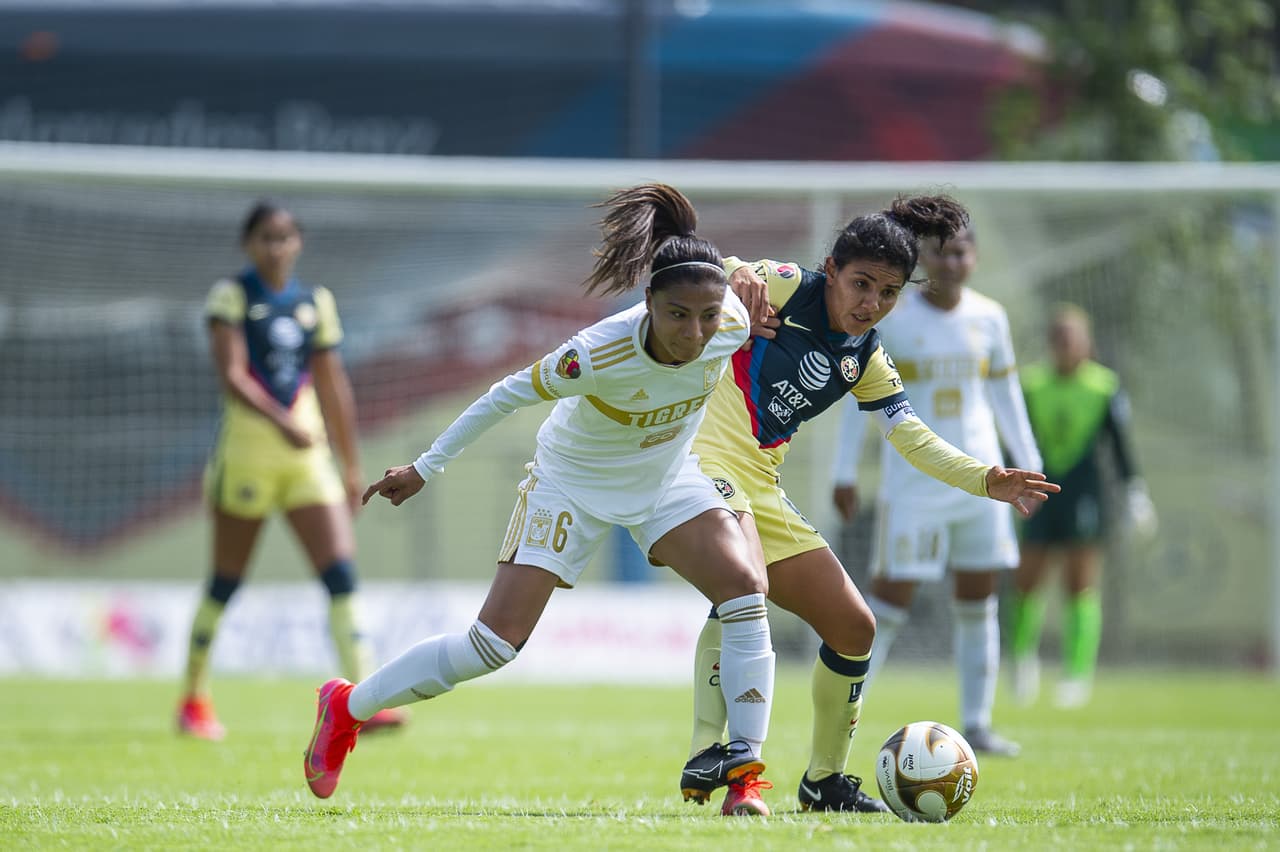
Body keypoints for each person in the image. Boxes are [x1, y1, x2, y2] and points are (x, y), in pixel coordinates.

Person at [301, 183, 778, 815]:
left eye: (707, 316)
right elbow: (504, 395)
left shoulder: (732, 321)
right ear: (648, 304)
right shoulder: (597, 352)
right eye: (677, 315)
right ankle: (347, 706)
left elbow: (744, 293)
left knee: (746, 592)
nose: (695, 332)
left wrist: (746, 285)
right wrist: (424, 466)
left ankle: (745, 777)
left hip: (662, 480)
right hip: (570, 486)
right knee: (493, 646)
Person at [686, 197, 1060, 815]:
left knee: (855, 627)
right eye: (861, 284)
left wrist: (985, 478)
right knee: (743, 591)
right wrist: (734, 271)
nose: (871, 303)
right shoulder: (786, 287)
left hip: (761, 483)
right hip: (702, 466)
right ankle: (715, 757)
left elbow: (909, 435)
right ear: (831, 270)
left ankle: (824, 782)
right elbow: (707, 274)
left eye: (888, 292)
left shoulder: (866, 356)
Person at [180, 201, 404, 740]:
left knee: (341, 575)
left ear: (298, 242)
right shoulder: (231, 296)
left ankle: (364, 697)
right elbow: (233, 375)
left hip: (307, 458)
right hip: (248, 455)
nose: (275, 247)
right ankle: (193, 700)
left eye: (284, 237)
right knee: (226, 581)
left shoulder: (315, 302)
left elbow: (332, 384)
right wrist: (283, 423)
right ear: (248, 245)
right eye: (265, 237)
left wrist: (352, 464)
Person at [831, 224, 1041, 757]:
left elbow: (1007, 396)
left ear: (975, 257)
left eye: (961, 252)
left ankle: (978, 723)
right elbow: (862, 394)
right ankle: (845, 721)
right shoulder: (894, 318)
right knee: (889, 602)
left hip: (984, 480)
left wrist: (1030, 467)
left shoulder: (990, 318)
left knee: (979, 600)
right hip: (916, 482)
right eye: (940, 253)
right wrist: (845, 472)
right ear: (923, 257)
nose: (950, 263)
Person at [1011, 303, 1156, 709]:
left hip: (1084, 495)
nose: (1065, 347)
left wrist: (1135, 491)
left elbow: (1120, 444)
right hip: (1039, 493)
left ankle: (1076, 675)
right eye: (1059, 339)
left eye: (1073, 339)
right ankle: (1021, 662)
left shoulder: (1104, 387)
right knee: (1027, 579)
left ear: (1086, 344)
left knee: (1079, 583)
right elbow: (1015, 439)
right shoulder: (1031, 384)